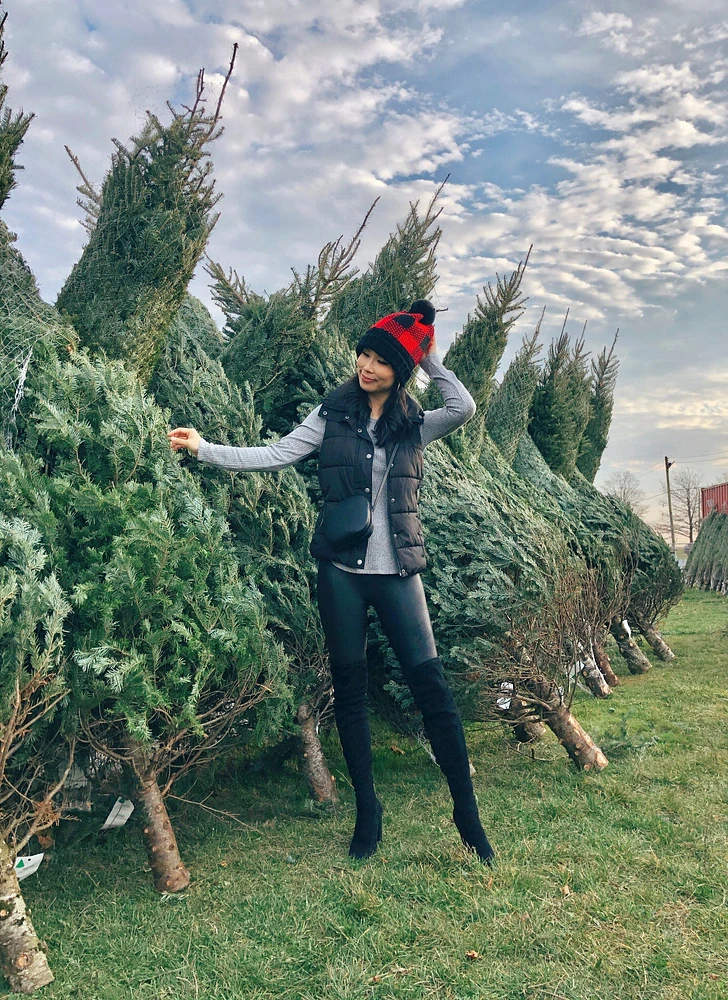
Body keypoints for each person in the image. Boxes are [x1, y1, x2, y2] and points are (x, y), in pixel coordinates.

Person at [167, 300, 495, 865]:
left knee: (432, 691)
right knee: (349, 690)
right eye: (364, 354)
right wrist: (205, 450)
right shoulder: (333, 413)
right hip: (341, 572)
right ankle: (368, 815)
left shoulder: (414, 423)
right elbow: (277, 453)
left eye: (381, 359)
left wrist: (432, 356)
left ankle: (468, 820)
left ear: (402, 368)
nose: (367, 366)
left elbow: (462, 406)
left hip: (397, 575)